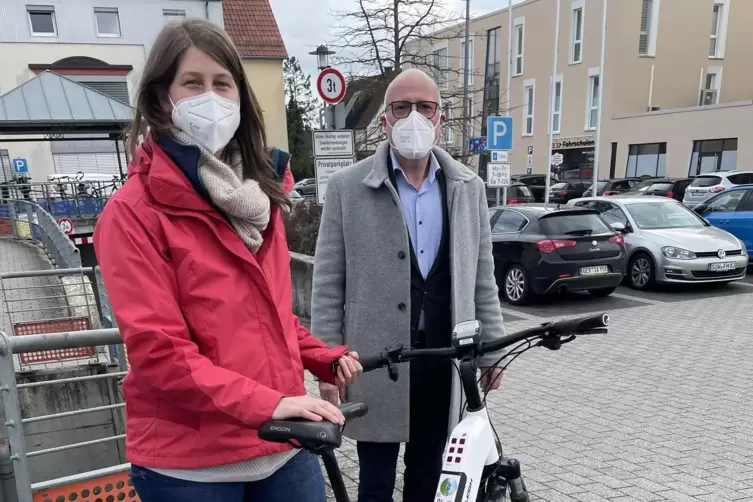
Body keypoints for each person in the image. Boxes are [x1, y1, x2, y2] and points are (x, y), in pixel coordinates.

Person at [94, 19, 362, 502]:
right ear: (161, 99)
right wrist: (273, 403)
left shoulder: (262, 196)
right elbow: (161, 353)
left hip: (281, 447)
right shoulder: (132, 214)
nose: (211, 96)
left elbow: (268, 317)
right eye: (192, 83)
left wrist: (323, 357)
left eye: (223, 83)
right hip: (191, 467)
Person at [311, 68, 507, 502]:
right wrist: (327, 361)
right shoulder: (348, 188)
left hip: (444, 357)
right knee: (376, 482)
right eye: (402, 107)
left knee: (430, 475)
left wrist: (491, 350)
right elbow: (327, 283)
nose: (413, 117)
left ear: (440, 118)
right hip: (376, 361)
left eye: (425, 107)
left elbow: (482, 276)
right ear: (386, 119)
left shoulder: (467, 188)